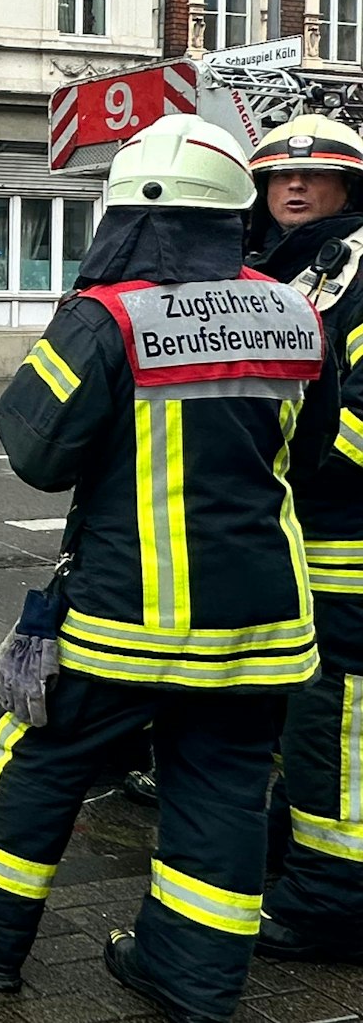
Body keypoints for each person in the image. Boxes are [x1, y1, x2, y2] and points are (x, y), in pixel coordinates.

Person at [0, 117, 328, 1023]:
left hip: (128, 618)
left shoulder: (110, 314)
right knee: (223, 794)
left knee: (35, 759)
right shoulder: (296, 311)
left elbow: (33, 449)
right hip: (265, 624)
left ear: (128, 213)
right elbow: (313, 459)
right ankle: (191, 977)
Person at [244, 114, 363, 963]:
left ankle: (333, 902)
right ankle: (301, 860)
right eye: (281, 175)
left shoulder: (357, 269)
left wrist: (286, 466)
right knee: (304, 719)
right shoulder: (280, 268)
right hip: (296, 545)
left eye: (315, 176)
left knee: (337, 724)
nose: (295, 185)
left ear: (346, 187)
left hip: (348, 548)